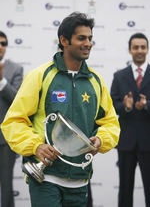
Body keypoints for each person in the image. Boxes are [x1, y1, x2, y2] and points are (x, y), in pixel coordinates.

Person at [1, 12, 120, 207]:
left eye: (90, 38)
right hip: (45, 178)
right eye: (81, 38)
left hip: (80, 179)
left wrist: (101, 139)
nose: (88, 43)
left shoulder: (96, 81)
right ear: (64, 40)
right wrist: (35, 146)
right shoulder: (40, 75)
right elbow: (13, 121)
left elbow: (111, 122)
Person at [110, 32, 150, 207]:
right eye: (136, 47)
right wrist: (126, 107)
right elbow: (112, 104)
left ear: (147, 49)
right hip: (126, 141)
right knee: (125, 189)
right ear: (130, 50)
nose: (139, 50)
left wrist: (147, 104)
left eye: (143, 47)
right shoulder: (119, 76)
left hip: (149, 141)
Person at [0, 31, 23, 207]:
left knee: (6, 186)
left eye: (4, 43)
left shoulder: (15, 69)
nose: (1, 46)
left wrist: (2, 81)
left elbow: (17, 99)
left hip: (5, 139)